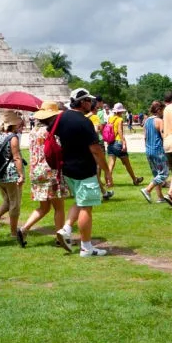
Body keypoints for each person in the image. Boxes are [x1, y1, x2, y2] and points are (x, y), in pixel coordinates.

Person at [55, 88, 110, 257]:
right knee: (87, 206)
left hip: (68, 168)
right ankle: (86, 247)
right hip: (84, 169)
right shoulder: (84, 121)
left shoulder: (61, 118)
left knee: (80, 200)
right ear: (82, 102)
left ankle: (66, 228)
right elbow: (95, 149)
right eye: (88, 101)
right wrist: (107, 171)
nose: (90, 104)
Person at [16, 104, 69, 247]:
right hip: (51, 170)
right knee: (59, 207)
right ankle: (60, 238)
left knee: (44, 207)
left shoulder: (33, 131)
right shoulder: (52, 131)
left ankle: (24, 228)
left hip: (36, 171)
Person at [0, 112, 25, 237]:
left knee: (7, 201)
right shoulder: (13, 137)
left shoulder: (0, 135)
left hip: (0, 173)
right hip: (11, 174)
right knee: (15, 204)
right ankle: (14, 232)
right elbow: (17, 158)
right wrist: (21, 175)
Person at [105, 103, 143, 186]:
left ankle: (108, 182)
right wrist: (124, 143)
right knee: (127, 163)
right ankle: (134, 179)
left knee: (111, 164)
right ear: (120, 111)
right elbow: (120, 131)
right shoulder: (120, 119)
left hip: (110, 143)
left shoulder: (110, 119)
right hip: (118, 143)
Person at [141, 101, 169, 203]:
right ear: (159, 110)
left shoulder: (147, 121)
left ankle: (160, 197)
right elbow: (164, 136)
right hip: (158, 150)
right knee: (164, 174)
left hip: (149, 150)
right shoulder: (160, 121)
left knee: (156, 174)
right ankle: (147, 189)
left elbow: (145, 137)